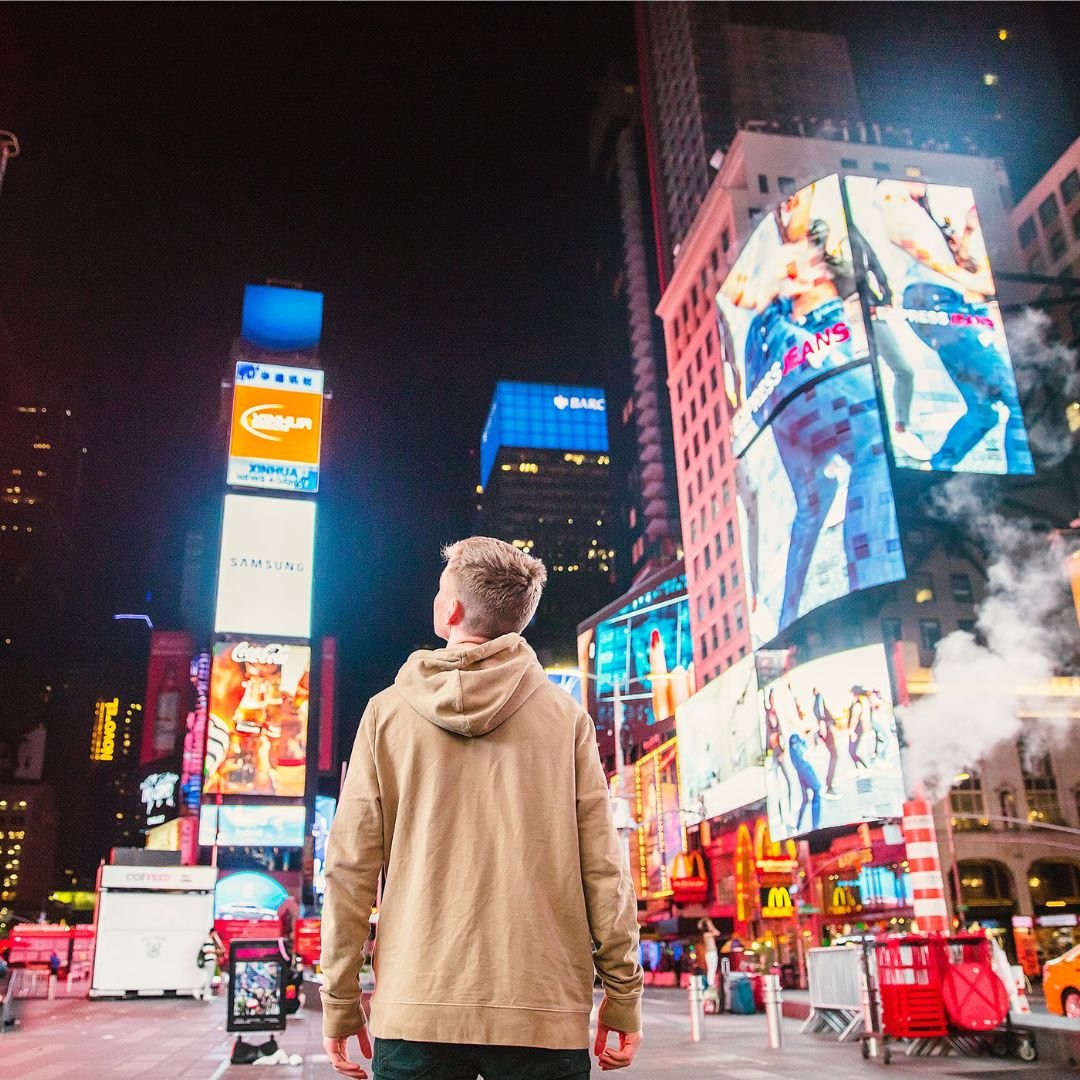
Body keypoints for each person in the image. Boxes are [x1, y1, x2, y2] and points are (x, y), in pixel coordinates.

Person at [321, 537, 644, 1079]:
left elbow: (349, 869)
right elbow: (606, 871)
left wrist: (340, 998)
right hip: (542, 1012)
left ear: (450, 610)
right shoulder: (567, 720)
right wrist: (623, 992)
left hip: (415, 1010)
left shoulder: (386, 714)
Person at [812, 688, 841, 799]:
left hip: (825, 728)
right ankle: (829, 787)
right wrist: (823, 726)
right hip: (826, 729)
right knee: (834, 755)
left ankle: (829, 783)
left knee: (833, 755)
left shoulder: (816, 700)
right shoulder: (819, 697)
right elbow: (821, 713)